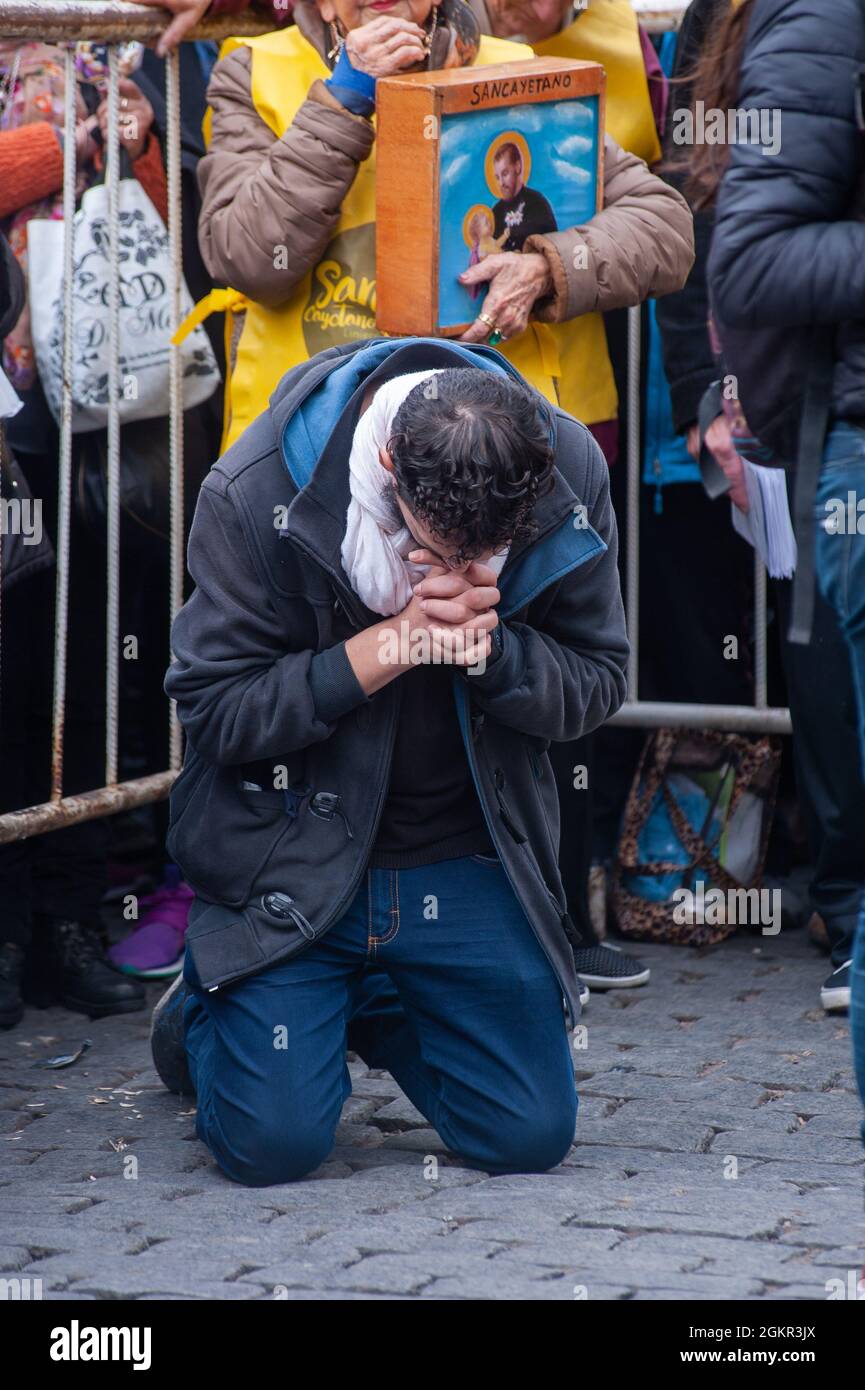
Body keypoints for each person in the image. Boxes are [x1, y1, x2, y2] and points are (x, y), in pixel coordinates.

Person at [150, 335, 628, 1185]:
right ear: (383, 467)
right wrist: (392, 646)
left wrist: (492, 651)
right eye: (439, 547)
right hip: (287, 859)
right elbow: (214, 713)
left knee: (526, 1139)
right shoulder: (254, 485)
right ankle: (208, 1007)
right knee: (273, 1149)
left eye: (484, 558)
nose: (460, 572)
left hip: (468, 855)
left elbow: (597, 681)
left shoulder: (570, 469)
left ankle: (363, 1001)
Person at [657, 0, 865, 1014]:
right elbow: (715, 231)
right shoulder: (772, 24)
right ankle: (845, 901)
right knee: (822, 672)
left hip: (805, 408)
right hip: (808, 414)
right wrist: (710, 395)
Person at [490, 140, 557, 251]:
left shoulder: (537, 203)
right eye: (497, 177)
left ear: (517, 167)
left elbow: (554, 249)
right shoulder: (496, 212)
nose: (501, 183)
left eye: (505, 173)